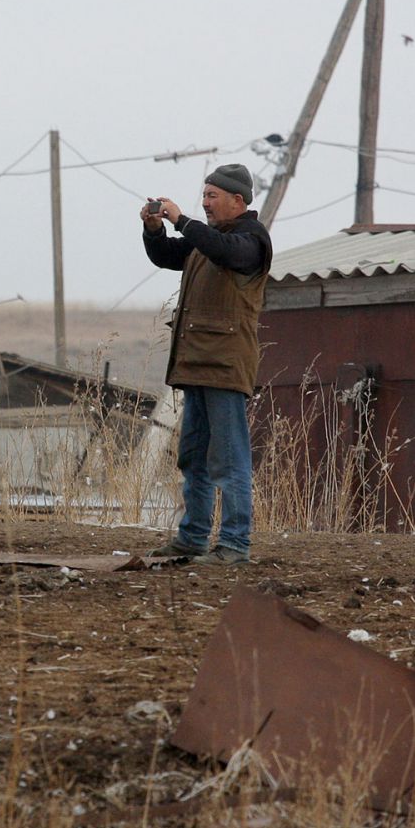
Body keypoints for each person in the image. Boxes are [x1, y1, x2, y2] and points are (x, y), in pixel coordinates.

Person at [140, 164, 273, 565]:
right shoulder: (206, 240)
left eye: (212, 196)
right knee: (193, 457)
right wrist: (154, 230)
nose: (205, 203)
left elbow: (223, 251)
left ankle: (234, 544)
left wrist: (181, 220)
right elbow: (168, 255)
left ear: (238, 200)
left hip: (225, 366)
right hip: (197, 363)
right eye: (204, 196)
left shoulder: (251, 241)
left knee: (228, 460)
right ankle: (193, 538)